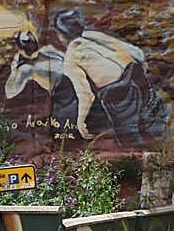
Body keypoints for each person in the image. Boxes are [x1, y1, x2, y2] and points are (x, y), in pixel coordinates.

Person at [51, 8, 152, 145]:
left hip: (120, 91)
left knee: (129, 138)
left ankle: (139, 160)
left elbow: (86, 95)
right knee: (146, 123)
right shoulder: (91, 34)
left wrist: (80, 122)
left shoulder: (71, 59)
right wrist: (143, 67)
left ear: (61, 35)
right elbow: (135, 51)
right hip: (136, 74)